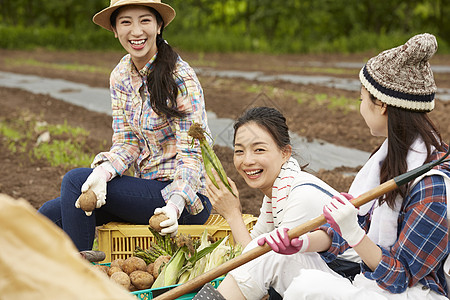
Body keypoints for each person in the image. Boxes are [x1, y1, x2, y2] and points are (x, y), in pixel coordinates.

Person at [257, 33, 450, 299]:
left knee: (306, 289)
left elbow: (400, 277)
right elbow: (342, 234)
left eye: (362, 98)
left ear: (381, 105)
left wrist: (353, 233)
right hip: (369, 285)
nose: (360, 107)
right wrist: (302, 242)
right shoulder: (387, 161)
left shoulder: (433, 185)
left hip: (411, 294)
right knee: (272, 258)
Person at [38, 0, 212, 253]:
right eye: (126, 22)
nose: (136, 31)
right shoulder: (121, 75)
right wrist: (103, 173)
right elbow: (127, 143)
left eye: (145, 20)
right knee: (49, 214)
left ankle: (83, 280)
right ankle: (69, 272)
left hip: (184, 201)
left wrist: (174, 205)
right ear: (115, 30)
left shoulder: (180, 78)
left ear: (159, 25)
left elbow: (192, 155)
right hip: (143, 193)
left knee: (75, 181)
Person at [195, 106, 341, 299]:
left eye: (259, 150)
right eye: (239, 151)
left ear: (285, 153)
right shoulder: (275, 194)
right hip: (326, 281)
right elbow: (249, 250)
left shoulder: (302, 194)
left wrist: (233, 214)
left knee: (276, 255)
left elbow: (257, 261)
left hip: (348, 281)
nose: (247, 160)